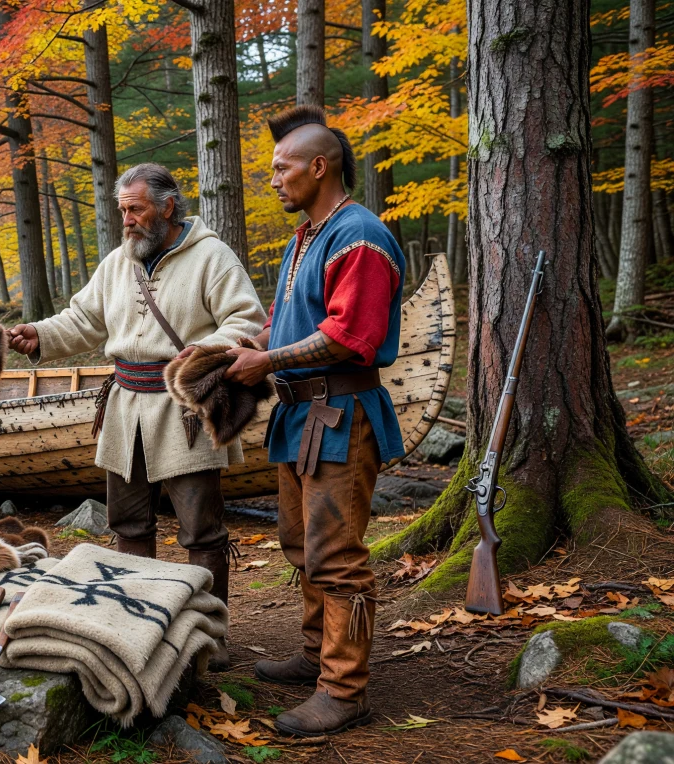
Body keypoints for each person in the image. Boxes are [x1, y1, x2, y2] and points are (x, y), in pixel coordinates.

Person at [7, 163, 266, 669]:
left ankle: (210, 638)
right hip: (125, 408)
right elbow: (83, 319)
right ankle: (138, 629)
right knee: (129, 524)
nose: (125, 220)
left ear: (168, 207)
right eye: (121, 209)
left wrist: (202, 350)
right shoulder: (118, 263)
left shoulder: (212, 257)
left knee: (201, 531)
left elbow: (246, 321)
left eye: (135, 209)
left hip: (184, 411)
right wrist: (38, 335)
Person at [223, 106, 406, 736]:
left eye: (282, 168)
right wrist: (246, 345)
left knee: (339, 557)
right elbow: (293, 318)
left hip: (342, 414)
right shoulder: (308, 235)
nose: (273, 179)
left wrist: (266, 360)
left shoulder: (359, 236)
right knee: (301, 544)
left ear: (318, 166)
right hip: (302, 415)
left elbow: (352, 336)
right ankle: (313, 653)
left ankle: (345, 688)